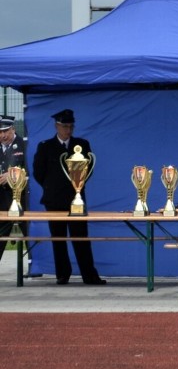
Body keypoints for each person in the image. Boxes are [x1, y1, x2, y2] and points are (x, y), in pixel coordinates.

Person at [32, 109, 106, 285]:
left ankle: (89, 275)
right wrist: (51, 187)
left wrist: (77, 188)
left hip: (76, 199)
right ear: (57, 126)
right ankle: (62, 274)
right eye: (65, 126)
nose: (68, 130)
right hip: (54, 200)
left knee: (81, 238)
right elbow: (38, 173)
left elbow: (88, 169)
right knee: (58, 239)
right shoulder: (45, 146)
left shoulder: (82, 145)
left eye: (71, 126)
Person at [0, 115, 27, 263]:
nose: (3, 135)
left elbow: (30, 170)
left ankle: (34, 265)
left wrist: (10, 176)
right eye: (0, 132)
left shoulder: (24, 145)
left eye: (6, 131)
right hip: (1, 199)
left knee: (29, 233)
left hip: (21, 199)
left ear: (13, 129)